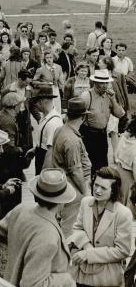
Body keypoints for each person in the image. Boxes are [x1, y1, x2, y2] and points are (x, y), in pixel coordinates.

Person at [52, 97, 92, 237]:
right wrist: (85, 192)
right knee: (70, 228)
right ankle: (66, 256)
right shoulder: (72, 140)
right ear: (83, 117)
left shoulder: (60, 130)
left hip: (63, 184)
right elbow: (75, 171)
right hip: (73, 188)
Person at [80, 69, 125, 178]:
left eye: (106, 82)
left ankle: (100, 190)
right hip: (87, 135)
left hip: (102, 135)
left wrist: (113, 100)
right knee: (89, 168)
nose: (105, 86)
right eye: (102, 83)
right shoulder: (86, 96)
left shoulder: (109, 97)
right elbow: (76, 118)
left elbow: (120, 114)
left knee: (102, 168)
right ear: (95, 83)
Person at [27, 85, 63, 174]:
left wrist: (43, 174)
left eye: (36, 103)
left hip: (46, 161)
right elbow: (45, 139)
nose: (35, 106)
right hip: (40, 156)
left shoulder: (53, 122)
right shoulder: (45, 117)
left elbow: (50, 151)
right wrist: (35, 149)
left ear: (41, 102)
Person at [114, 115, 136, 206]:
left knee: (118, 199)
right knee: (126, 203)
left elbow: (116, 155)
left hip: (118, 172)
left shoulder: (124, 137)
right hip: (129, 180)